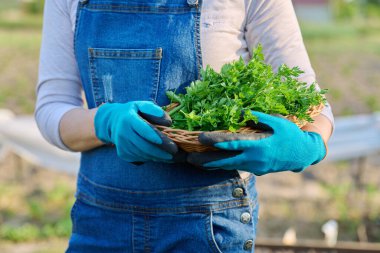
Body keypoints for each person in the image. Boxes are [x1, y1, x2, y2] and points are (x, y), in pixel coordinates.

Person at [35, 0, 334, 252]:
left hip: (209, 225)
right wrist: (105, 122)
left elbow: (311, 102)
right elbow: (52, 107)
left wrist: (310, 145)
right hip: (100, 224)